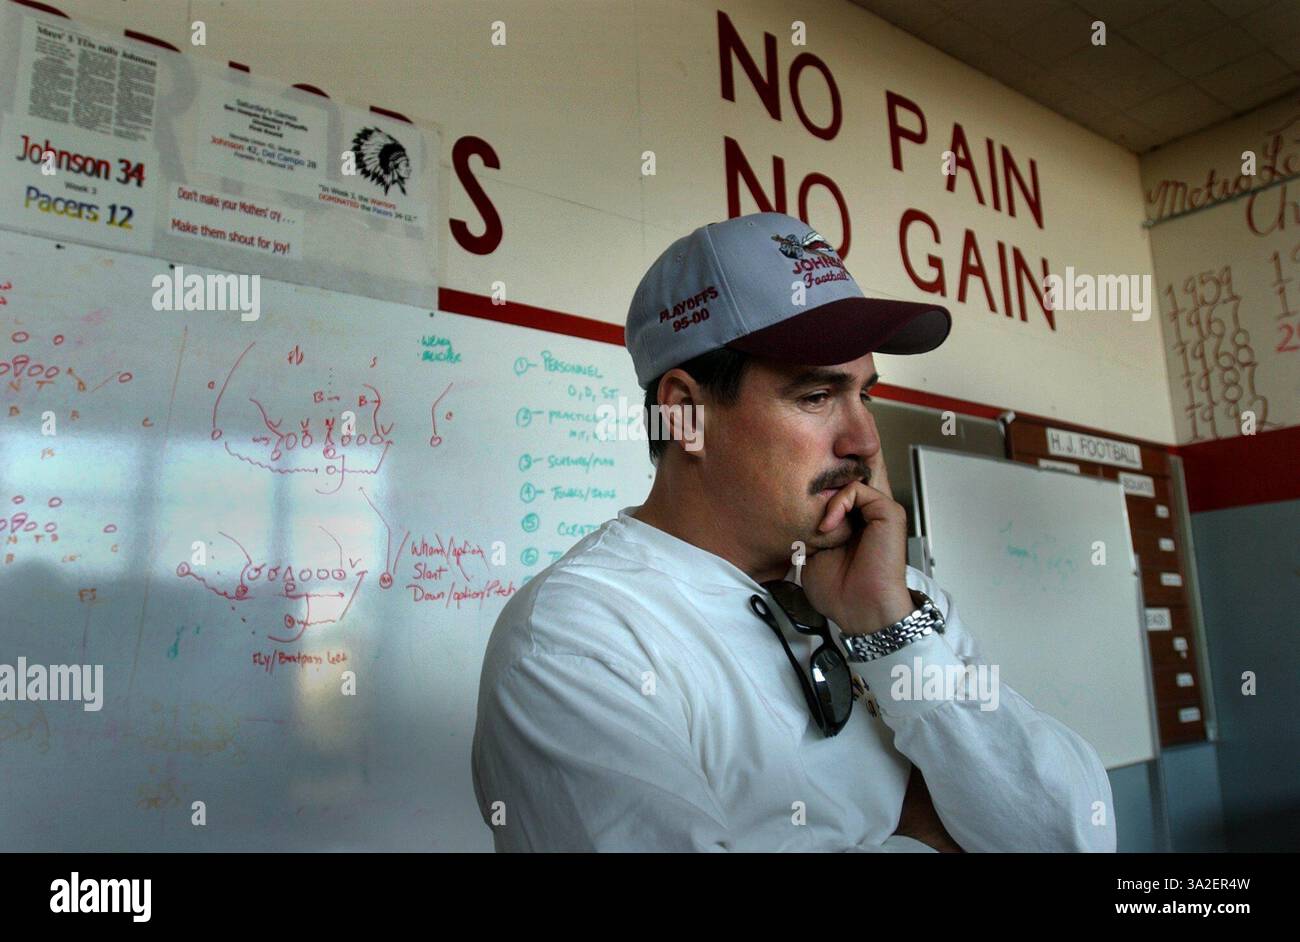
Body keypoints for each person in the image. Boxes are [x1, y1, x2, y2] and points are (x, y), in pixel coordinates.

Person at [471, 211, 1116, 852]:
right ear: (685, 414)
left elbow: (1071, 837)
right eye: (815, 396)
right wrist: (923, 837)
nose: (864, 439)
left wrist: (893, 640)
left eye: (866, 395)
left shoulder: (893, 593)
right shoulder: (578, 635)